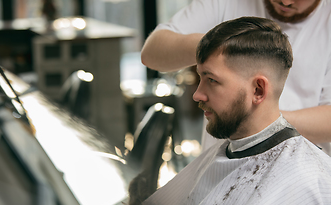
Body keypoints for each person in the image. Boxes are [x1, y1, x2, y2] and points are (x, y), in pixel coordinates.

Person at [127, 17, 331, 205]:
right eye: (200, 77)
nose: (197, 94)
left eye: (211, 80)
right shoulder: (224, 155)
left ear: (258, 90)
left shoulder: (309, 180)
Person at [141, 0, 331, 155]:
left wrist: (257, 120)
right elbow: (152, 53)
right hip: (220, 169)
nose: (286, 1)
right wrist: (219, 45)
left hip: (298, 170)